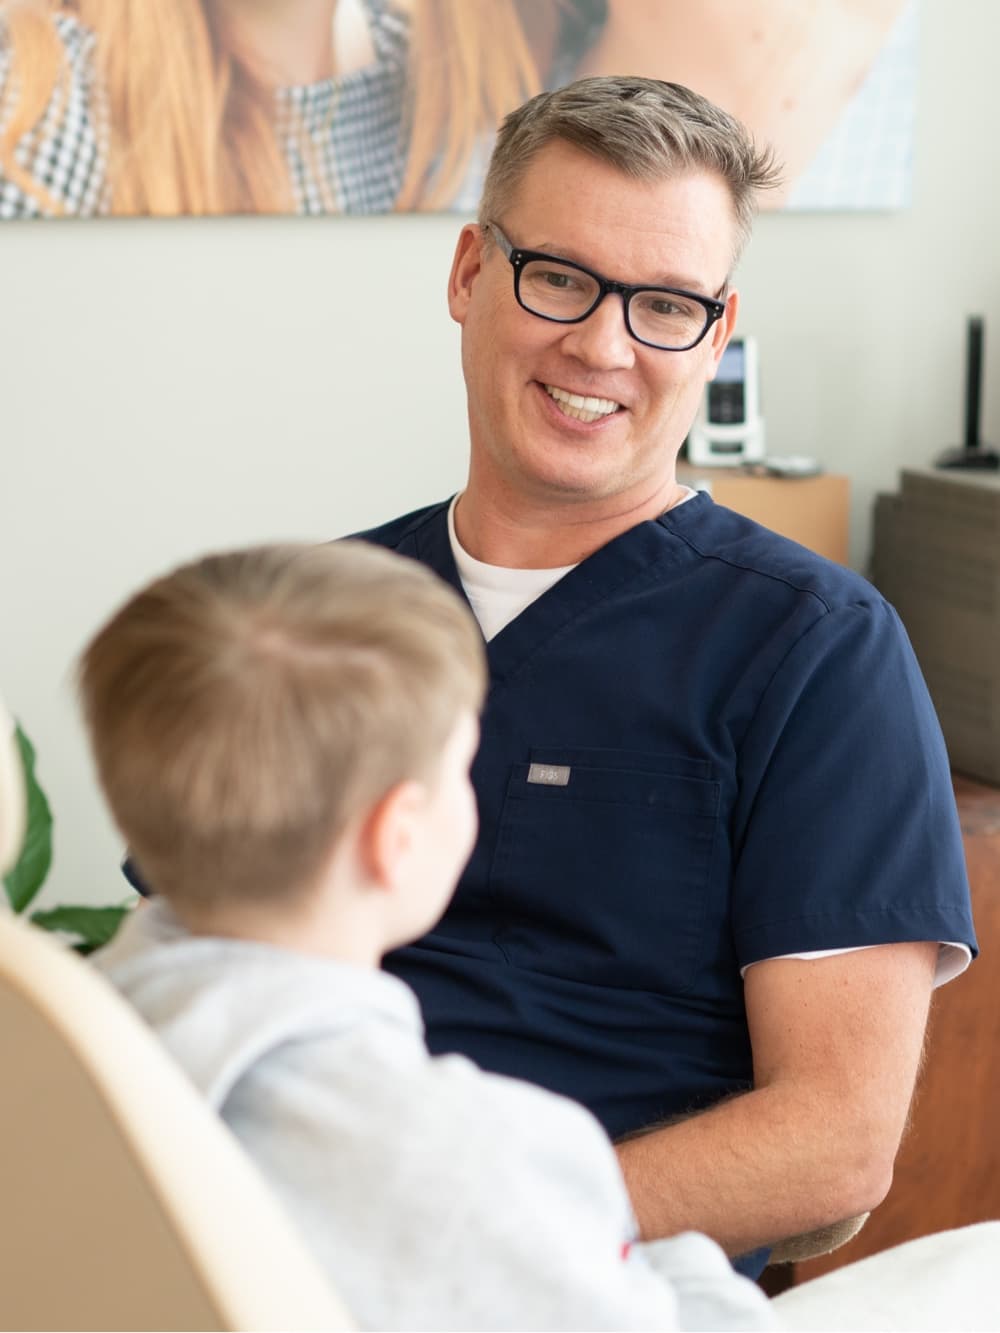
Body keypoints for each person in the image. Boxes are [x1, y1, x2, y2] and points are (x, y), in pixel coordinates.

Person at [348, 75, 979, 1277]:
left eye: (665, 305)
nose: (602, 344)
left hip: (592, 1276)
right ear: (471, 275)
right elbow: (194, 971)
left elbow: (834, 1148)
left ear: (718, 329)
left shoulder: (815, 652)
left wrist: (471, 1231)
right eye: (561, 278)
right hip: (271, 1249)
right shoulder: (319, 617)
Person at [86, 540, 774, 1332]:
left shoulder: (54, 1040)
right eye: (462, 769)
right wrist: (673, 1257)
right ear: (398, 835)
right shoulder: (474, 1157)